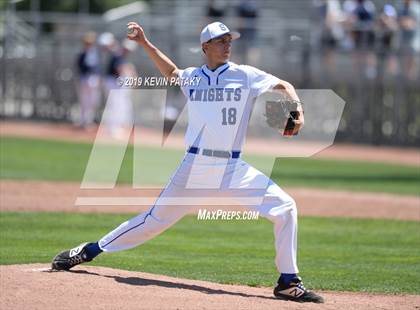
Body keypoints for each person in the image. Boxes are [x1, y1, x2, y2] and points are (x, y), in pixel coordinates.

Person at [51, 21, 324, 304]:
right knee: (153, 221)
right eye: (221, 40)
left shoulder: (245, 75)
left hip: (233, 168)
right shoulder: (194, 77)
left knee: (285, 207)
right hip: (195, 167)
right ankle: (89, 250)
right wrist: (145, 43)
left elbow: (283, 85)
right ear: (206, 47)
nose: (228, 44)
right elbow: (171, 72)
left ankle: (288, 282)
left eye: (230, 39)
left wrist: (297, 110)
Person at [76, 31, 101, 129]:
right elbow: (80, 66)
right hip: (84, 78)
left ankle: (89, 120)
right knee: (84, 100)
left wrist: (98, 77)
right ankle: (83, 121)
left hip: (93, 79)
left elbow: (97, 67)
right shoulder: (82, 54)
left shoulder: (94, 53)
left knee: (93, 101)